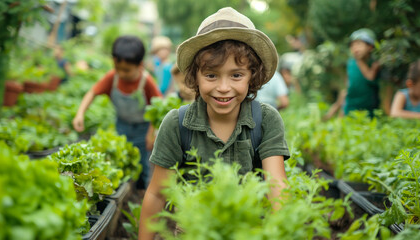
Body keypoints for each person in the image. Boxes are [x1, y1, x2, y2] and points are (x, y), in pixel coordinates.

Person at [138, 7, 290, 239]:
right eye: (211, 75)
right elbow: (157, 194)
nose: (223, 87)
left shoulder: (265, 119)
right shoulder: (177, 123)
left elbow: (276, 186)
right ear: (195, 77)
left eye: (236, 75)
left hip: (248, 231)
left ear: (253, 76)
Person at [72, 35, 162, 190]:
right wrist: (80, 114)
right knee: (119, 158)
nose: (121, 73)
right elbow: (92, 93)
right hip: (122, 124)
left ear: (140, 65)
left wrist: (151, 133)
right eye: (117, 68)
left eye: (126, 70)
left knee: (142, 162)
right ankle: (121, 186)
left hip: (142, 127)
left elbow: (158, 110)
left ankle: (141, 190)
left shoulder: (146, 82)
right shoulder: (112, 78)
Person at [324, 28, 380, 120]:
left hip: (368, 106)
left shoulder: (373, 64)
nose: (355, 48)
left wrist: (360, 61)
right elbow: (348, 82)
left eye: (359, 44)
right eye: (352, 45)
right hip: (351, 103)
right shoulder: (351, 63)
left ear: (370, 47)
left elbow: (370, 77)